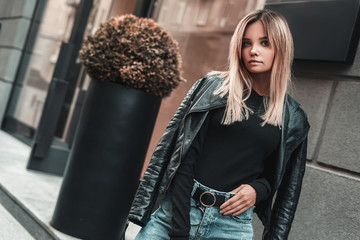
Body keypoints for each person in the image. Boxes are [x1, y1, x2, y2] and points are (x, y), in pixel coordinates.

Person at [128, 9, 310, 240]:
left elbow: (280, 182)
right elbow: (184, 160)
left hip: (232, 227)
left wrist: (258, 190)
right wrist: (180, 230)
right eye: (247, 43)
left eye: (265, 43)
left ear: (281, 49)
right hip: (177, 215)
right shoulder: (214, 88)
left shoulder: (293, 118)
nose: (253, 51)